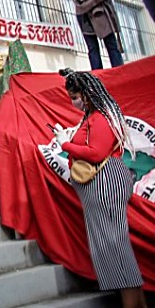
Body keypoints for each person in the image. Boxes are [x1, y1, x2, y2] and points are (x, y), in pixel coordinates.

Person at [54, 68, 146, 308]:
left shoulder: (100, 118)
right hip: (102, 184)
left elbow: (96, 153)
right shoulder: (95, 116)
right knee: (114, 246)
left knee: (115, 247)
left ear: (86, 94)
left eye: (75, 96)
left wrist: (65, 143)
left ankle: (131, 304)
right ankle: (138, 303)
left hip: (105, 183)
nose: (73, 101)